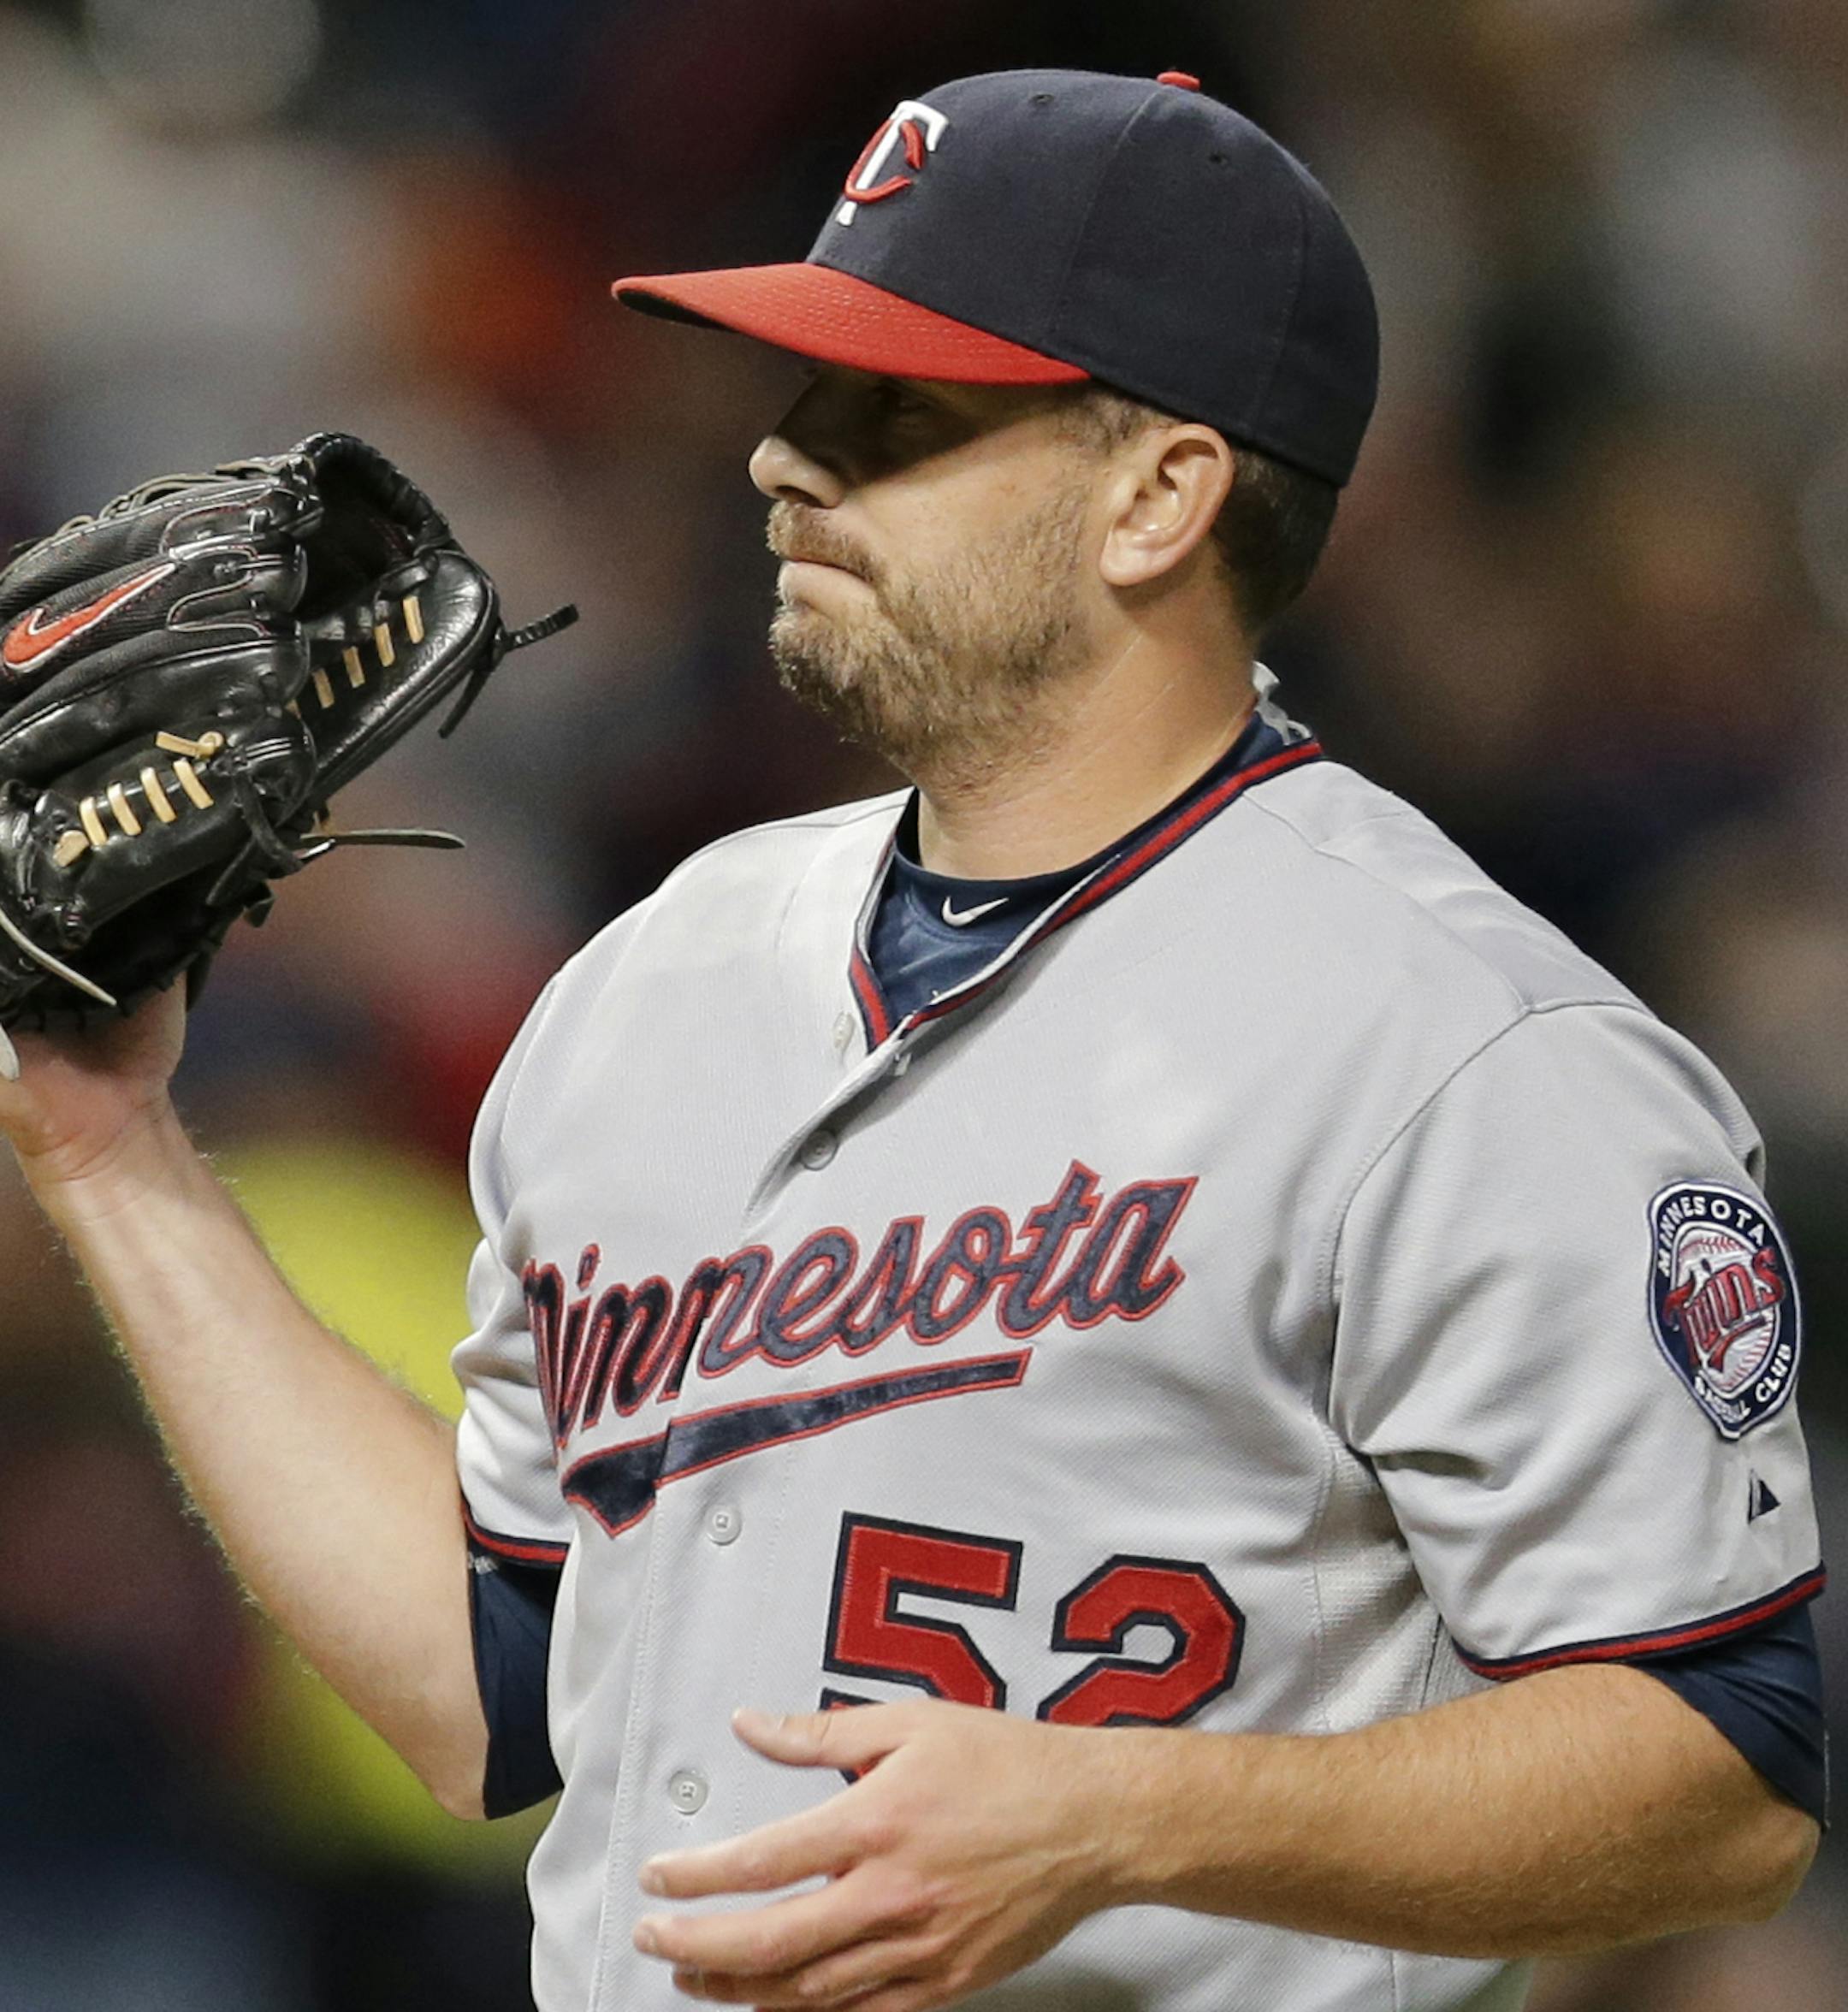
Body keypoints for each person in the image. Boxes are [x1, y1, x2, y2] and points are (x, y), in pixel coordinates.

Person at [0, 66, 1825, 2012]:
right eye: (802, 396)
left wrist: (1127, 1821)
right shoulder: (656, 976)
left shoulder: (1471, 1051)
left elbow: (1728, 1780)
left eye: (899, 409)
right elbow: (501, 1688)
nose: (788, 461)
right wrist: (109, 1151)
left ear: (1159, 495)